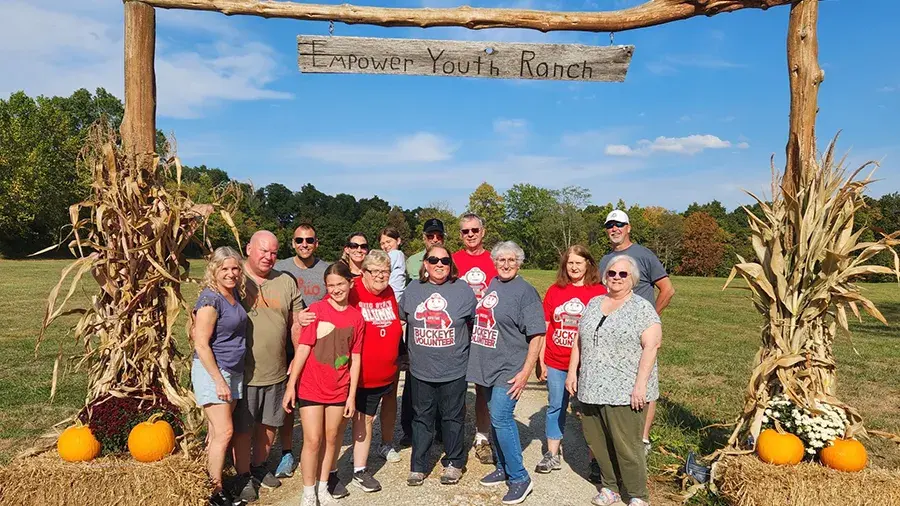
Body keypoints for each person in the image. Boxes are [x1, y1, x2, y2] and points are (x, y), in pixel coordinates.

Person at [566, 255, 662, 506]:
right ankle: (610, 487)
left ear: (632, 279)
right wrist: (571, 371)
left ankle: (638, 494)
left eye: (623, 274)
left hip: (624, 389)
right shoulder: (595, 302)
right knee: (598, 443)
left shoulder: (641, 308)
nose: (617, 278)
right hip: (591, 387)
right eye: (612, 273)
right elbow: (580, 339)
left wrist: (640, 385)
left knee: (627, 445)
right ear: (605, 276)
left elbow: (652, 346)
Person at [232, 231, 312, 504]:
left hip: (276, 369)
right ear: (248, 248)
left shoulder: (284, 281)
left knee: (269, 424)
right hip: (242, 371)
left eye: (273, 252)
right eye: (262, 251)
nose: (268, 257)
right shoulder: (234, 277)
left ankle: (258, 467)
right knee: (243, 428)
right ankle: (243, 476)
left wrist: (297, 362)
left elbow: (296, 324)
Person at [468, 241, 545, 505]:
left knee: (501, 417)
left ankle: (520, 477)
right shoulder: (493, 284)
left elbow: (537, 334)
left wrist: (526, 372)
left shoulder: (525, 292)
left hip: (509, 367)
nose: (506, 264)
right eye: (501, 260)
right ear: (494, 262)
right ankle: (501, 466)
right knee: (493, 416)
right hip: (488, 365)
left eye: (511, 260)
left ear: (519, 262)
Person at [282, 262, 364, 506]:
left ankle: (323, 485)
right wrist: (291, 385)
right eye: (330, 285)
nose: (336, 289)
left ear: (350, 283)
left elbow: (356, 358)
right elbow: (304, 349)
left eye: (340, 284)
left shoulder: (357, 318)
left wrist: (351, 395)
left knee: (331, 438)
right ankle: (308, 492)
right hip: (311, 386)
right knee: (313, 439)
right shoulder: (316, 311)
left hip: (339, 388)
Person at [599, 209, 675, 458]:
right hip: (612, 334)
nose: (614, 229)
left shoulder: (643, 255)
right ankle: (616, 435)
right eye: (610, 225)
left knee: (646, 382)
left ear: (628, 227)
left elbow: (667, 289)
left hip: (639, 333)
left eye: (619, 224)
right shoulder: (606, 259)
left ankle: (642, 439)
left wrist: (651, 320)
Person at [399, 244, 477, 487]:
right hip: (421, 369)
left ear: (451, 264)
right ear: (425, 264)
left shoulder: (463, 290)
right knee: (421, 417)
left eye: (444, 260)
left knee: (452, 417)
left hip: (454, 368)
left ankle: (454, 462)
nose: (439, 264)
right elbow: (402, 321)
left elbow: (476, 325)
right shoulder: (413, 289)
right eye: (434, 260)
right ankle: (418, 465)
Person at [534, 245, 606, 475]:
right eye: (570, 263)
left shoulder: (598, 292)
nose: (574, 267)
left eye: (578, 262)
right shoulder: (555, 290)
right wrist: (541, 360)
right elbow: (546, 326)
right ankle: (552, 454)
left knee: (589, 410)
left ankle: (595, 459)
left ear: (588, 264)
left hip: (588, 363)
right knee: (556, 405)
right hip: (556, 359)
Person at [190, 246, 247, 506]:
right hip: (215, 371)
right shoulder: (210, 299)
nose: (231, 273)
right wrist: (218, 379)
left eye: (235, 268)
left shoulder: (233, 294)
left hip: (232, 370)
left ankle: (205, 484)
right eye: (224, 268)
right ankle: (216, 493)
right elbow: (200, 343)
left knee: (215, 434)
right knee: (225, 432)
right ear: (214, 269)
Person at [273, 223, 330, 479]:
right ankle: (286, 451)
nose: (304, 244)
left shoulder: (325, 269)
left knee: (317, 400)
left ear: (316, 243)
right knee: (289, 399)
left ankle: (316, 448)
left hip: (320, 344)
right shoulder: (280, 269)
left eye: (309, 240)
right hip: (286, 344)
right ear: (292, 243)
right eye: (299, 240)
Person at [348, 250, 404, 493]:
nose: (381, 276)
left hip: (389, 368)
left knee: (390, 403)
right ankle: (360, 466)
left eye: (386, 272)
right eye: (376, 272)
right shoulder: (354, 291)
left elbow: (393, 324)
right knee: (365, 417)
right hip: (364, 372)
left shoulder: (389, 292)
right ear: (364, 272)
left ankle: (386, 444)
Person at [451, 213, 499, 465]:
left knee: (483, 385)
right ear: (460, 235)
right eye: (465, 231)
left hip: (485, 329)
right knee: (454, 385)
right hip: (458, 330)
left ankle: (482, 437)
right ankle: (451, 433)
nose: (470, 234)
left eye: (474, 230)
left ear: (483, 231)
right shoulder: (453, 260)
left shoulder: (494, 259)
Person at [400, 217, 446, 443]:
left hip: (439, 328)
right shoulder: (412, 261)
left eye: (439, 236)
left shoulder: (447, 258)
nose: (434, 239)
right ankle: (410, 430)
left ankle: (439, 428)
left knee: (440, 382)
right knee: (413, 383)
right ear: (424, 237)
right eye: (430, 236)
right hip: (417, 325)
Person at [379, 227, 407, 302]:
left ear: (398, 241)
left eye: (388, 242)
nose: (385, 246)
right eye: (382, 243)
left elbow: (381, 266)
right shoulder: (399, 256)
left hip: (393, 296)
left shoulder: (396, 254)